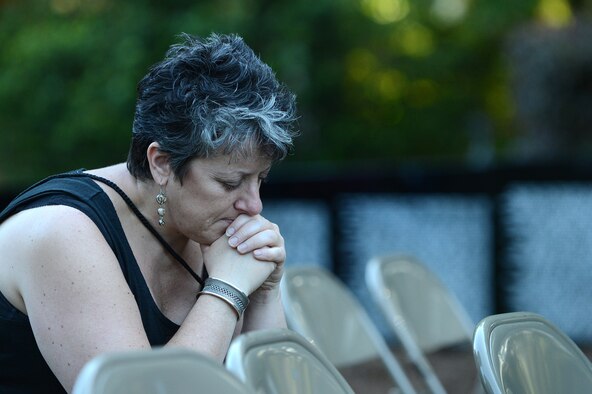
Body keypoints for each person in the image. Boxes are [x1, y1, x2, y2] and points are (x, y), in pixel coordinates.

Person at [0, 32, 298, 393]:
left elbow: (280, 388)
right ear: (161, 163)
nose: (254, 205)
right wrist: (228, 289)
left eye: (260, 179)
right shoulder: (62, 232)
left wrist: (264, 290)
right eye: (230, 183)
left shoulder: (208, 229)